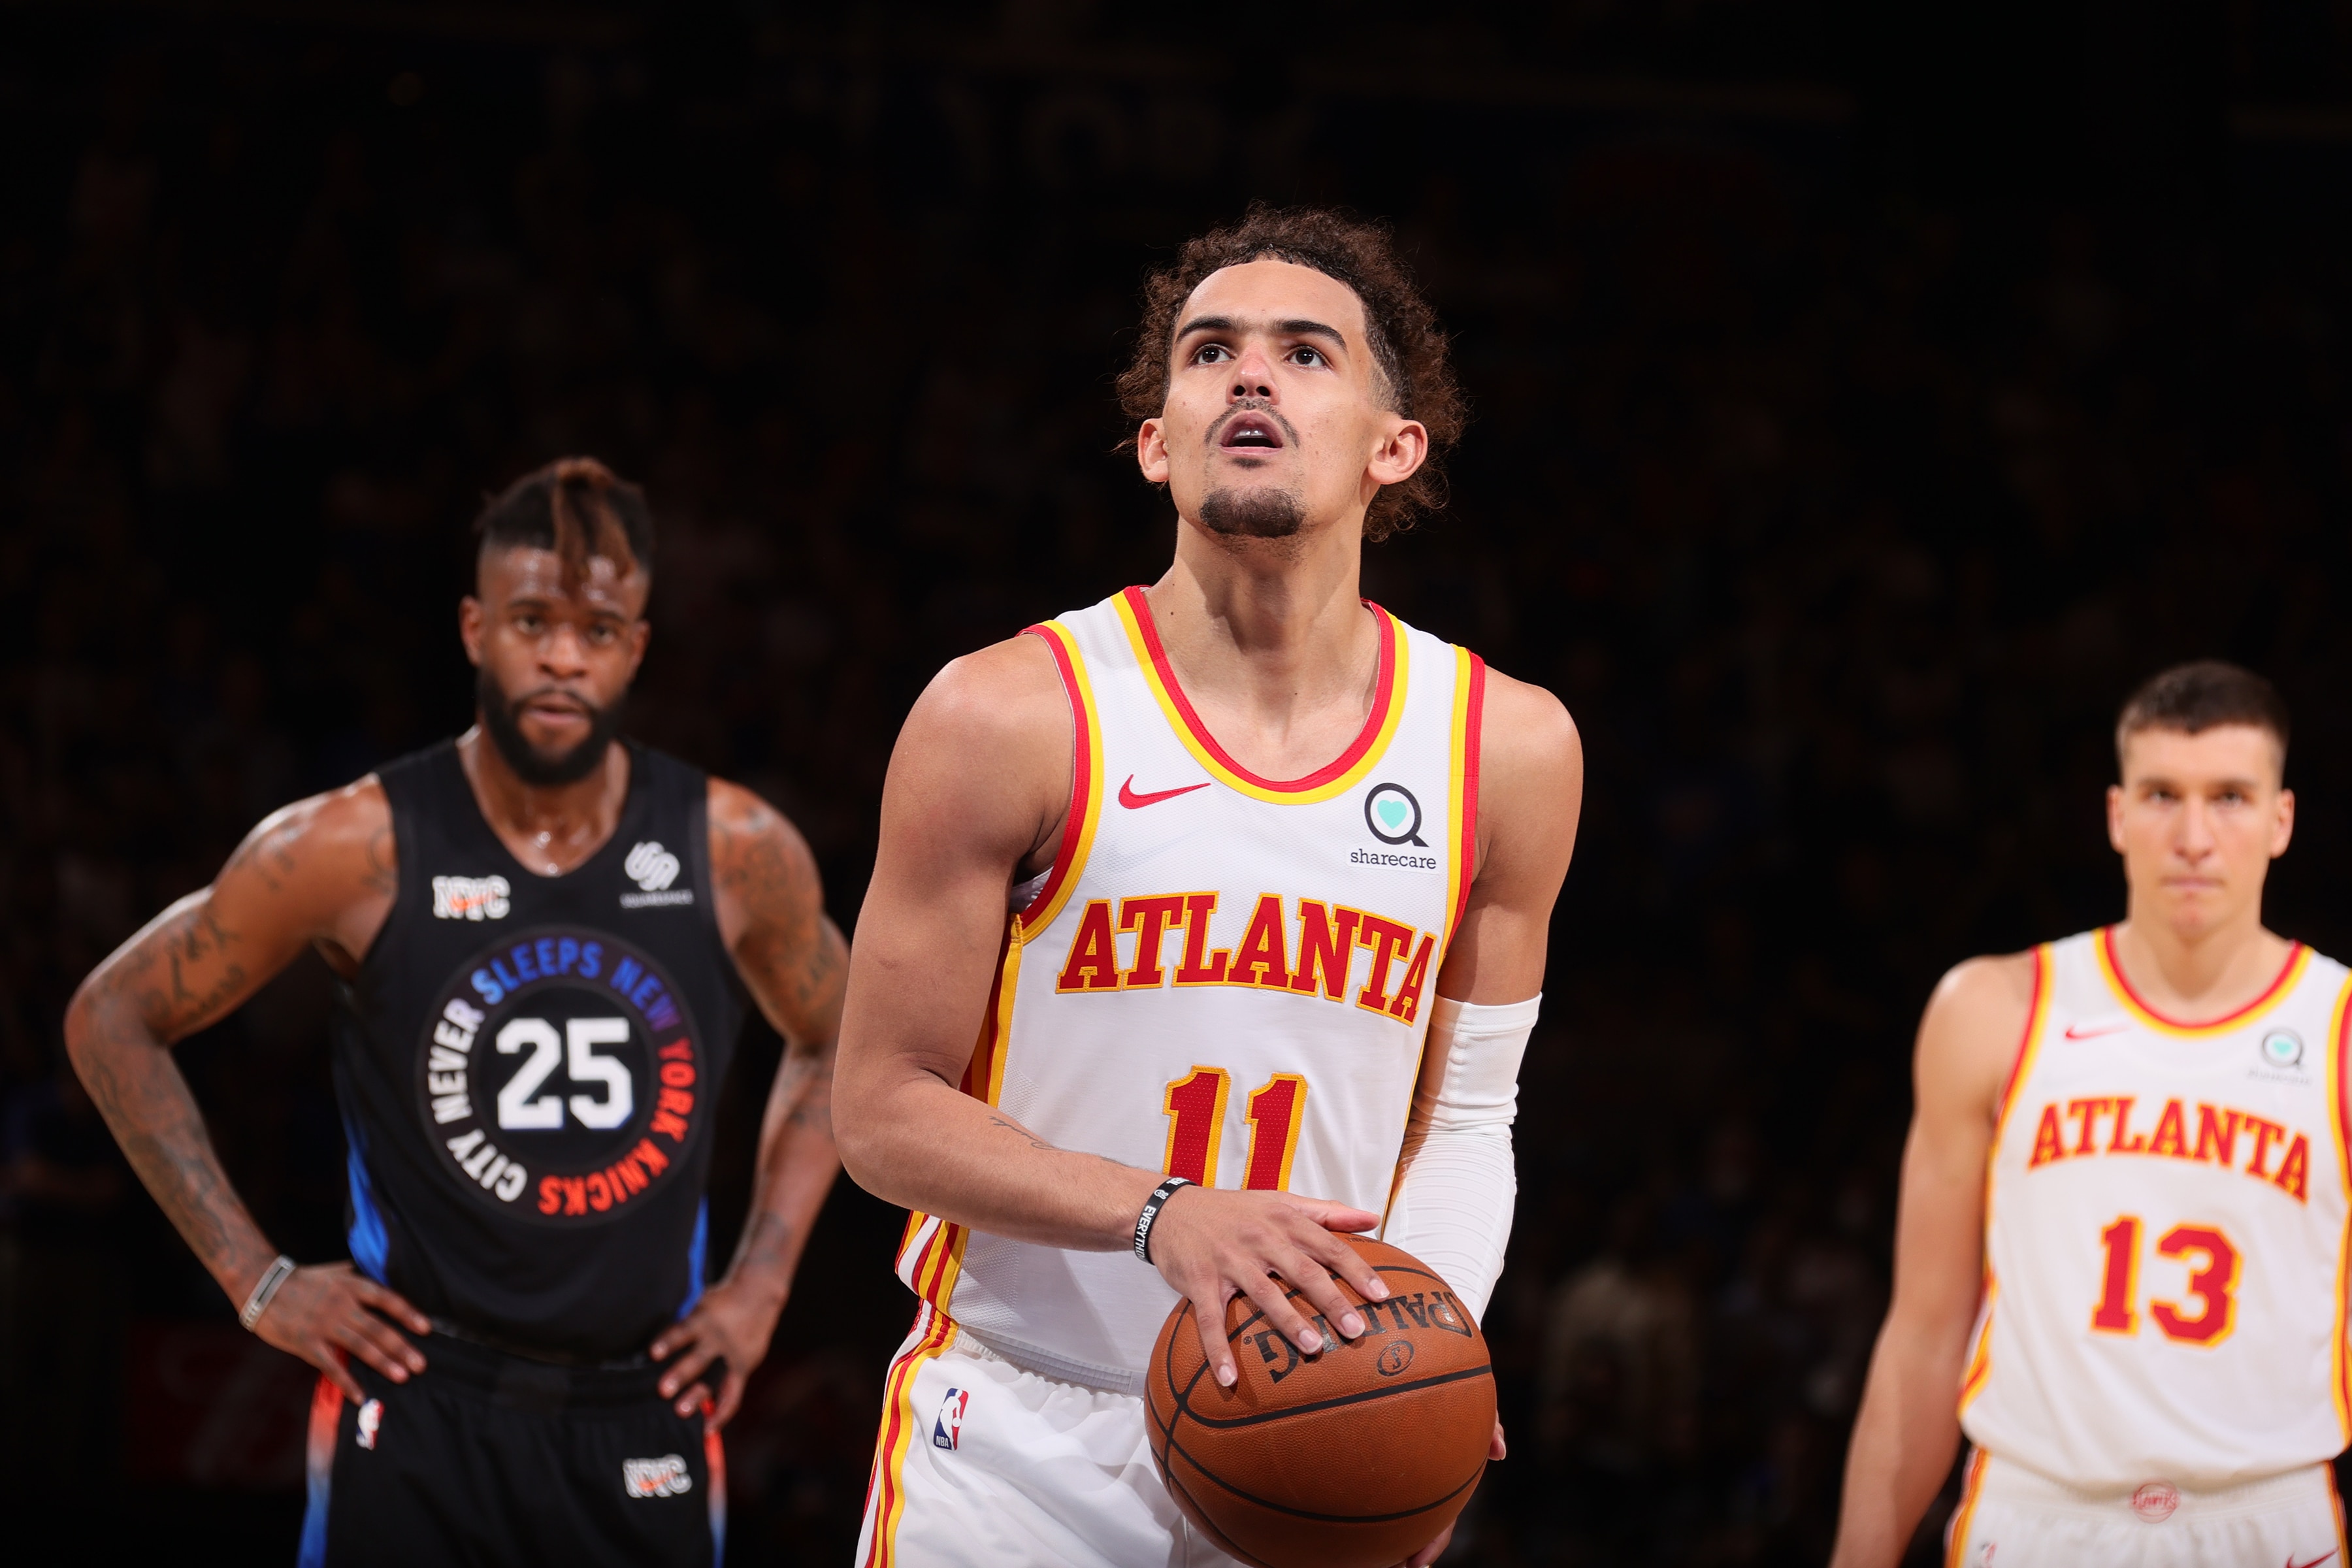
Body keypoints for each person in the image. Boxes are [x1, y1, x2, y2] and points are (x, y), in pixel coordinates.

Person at [833, 206, 1582, 1567]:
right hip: (1016, 1442)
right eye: (1210, 352)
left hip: (1314, 1414)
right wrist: (1163, 1216)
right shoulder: (1007, 715)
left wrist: (1425, 1351)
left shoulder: (1506, 749)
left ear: (1392, 447)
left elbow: (1469, 1117)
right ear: (1156, 440)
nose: (1250, 374)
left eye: (1306, 354)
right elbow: (879, 1113)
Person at [66, 459, 847, 1568]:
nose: (564, 655)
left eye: (598, 626)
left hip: (645, 1408)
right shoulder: (349, 846)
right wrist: (256, 1280)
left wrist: (764, 1283)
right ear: (476, 629)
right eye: (533, 619)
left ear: (637, 647)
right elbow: (111, 1017)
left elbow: (840, 1035)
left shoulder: (736, 852)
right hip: (418, 1403)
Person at [1831, 661, 2350, 1568]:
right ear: (2117, 815)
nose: (2193, 835)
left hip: (2269, 1521)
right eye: (2162, 795)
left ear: (2282, 821)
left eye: (2230, 797)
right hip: (2034, 1514)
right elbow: (1922, 1335)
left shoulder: (2340, 1032)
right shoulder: (1993, 1009)